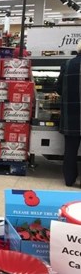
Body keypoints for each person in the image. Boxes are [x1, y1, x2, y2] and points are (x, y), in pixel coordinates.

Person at [56, 42, 81, 187]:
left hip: (71, 116)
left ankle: (69, 179)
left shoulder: (67, 64)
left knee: (70, 150)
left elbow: (58, 89)